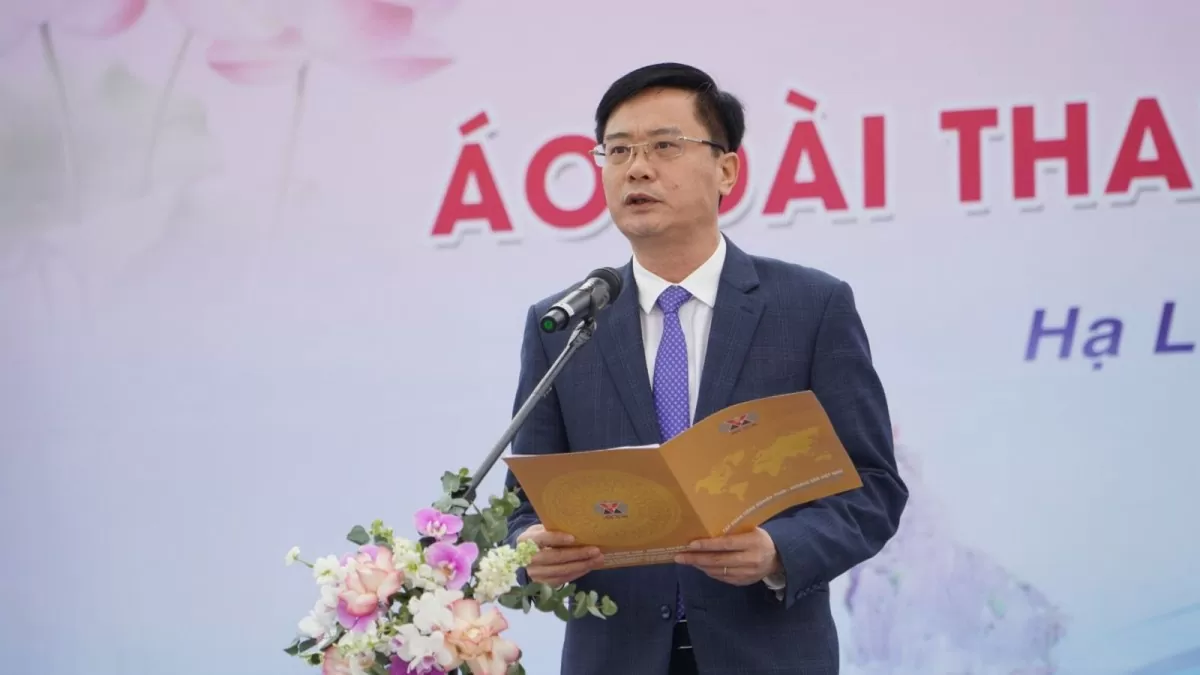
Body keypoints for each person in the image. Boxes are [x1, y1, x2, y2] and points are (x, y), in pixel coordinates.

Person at [502, 62, 908, 675]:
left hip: (766, 653)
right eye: (617, 151)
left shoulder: (810, 307)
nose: (637, 167)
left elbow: (872, 485)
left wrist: (779, 551)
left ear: (727, 169)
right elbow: (523, 506)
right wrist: (528, 548)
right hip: (614, 656)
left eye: (664, 146)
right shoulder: (563, 322)